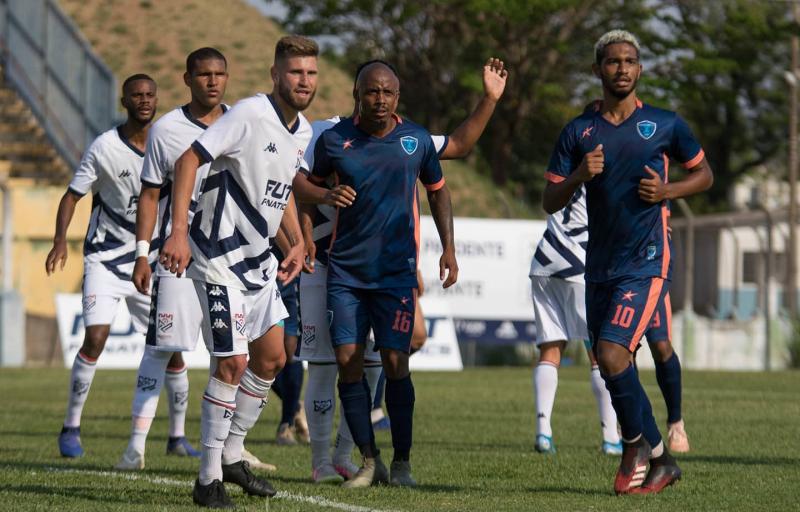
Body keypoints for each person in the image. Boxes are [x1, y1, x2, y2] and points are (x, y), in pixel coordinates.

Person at [293, 58, 506, 484]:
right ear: (357, 94)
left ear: (398, 97)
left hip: (395, 276)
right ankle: (369, 461)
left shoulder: (416, 139)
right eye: (372, 91)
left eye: (387, 92)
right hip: (346, 275)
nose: (380, 99)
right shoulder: (334, 140)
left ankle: (403, 461)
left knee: (395, 362)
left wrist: (448, 248)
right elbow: (301, 185)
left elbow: (440, 191)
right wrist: (322, 200)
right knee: (347, 362)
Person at [541, 30, 712, 495]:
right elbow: (549, 199)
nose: (622, 68)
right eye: (613, 61)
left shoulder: (664, 124)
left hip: (647, 262)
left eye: (630, 61)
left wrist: (667, 193)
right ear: (598, 70)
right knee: (611, 363)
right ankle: (657, 456)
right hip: (598, 266)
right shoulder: (578, 131)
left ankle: (638, 445)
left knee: (615, 355)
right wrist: (579, 174)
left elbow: (704, 173)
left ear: (640, 70)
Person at [159, 35, 315, 508]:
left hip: (258, 261)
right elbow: (190, 159)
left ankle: (232, 454)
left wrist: (297, 241)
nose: (303, 81)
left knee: (273, 358)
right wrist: (179, 232)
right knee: (233, 363)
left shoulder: (302, 131)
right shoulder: (248, 114)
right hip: (218, 259)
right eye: (294, 72)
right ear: (275, 75)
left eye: (310, 73)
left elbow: (281, 190)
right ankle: (208, 480)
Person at [115, 47, 229, 471]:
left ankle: (228, 449)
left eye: (220, 73)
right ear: (187, 79)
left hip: (230, 260)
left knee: (230, 355)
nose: (212, 81)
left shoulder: (240, 123)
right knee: (162, 349)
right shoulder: (167, 130)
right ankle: (136, 447)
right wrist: (142, 255)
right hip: (177, 258)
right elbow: (148, 194)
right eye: (203, 75)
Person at [46, 74, 169, 458]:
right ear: (124, 101)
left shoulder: (169, 143)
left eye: (150, 95)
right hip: (106, 257)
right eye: (137, 95)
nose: (145, 101)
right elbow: (72, 196)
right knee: (95, 339)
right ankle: (71, 427)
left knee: (172, 346)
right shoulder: (104, 147)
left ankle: (178, 438)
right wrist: (59, 240)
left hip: (149, 260)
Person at [529, 184, 622, 456]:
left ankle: (543, 433)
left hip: (545, 260)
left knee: (550, 349)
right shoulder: (597, 167)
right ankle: (610, 437)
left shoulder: (561, 163)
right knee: (599, 354)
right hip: (579, 261)